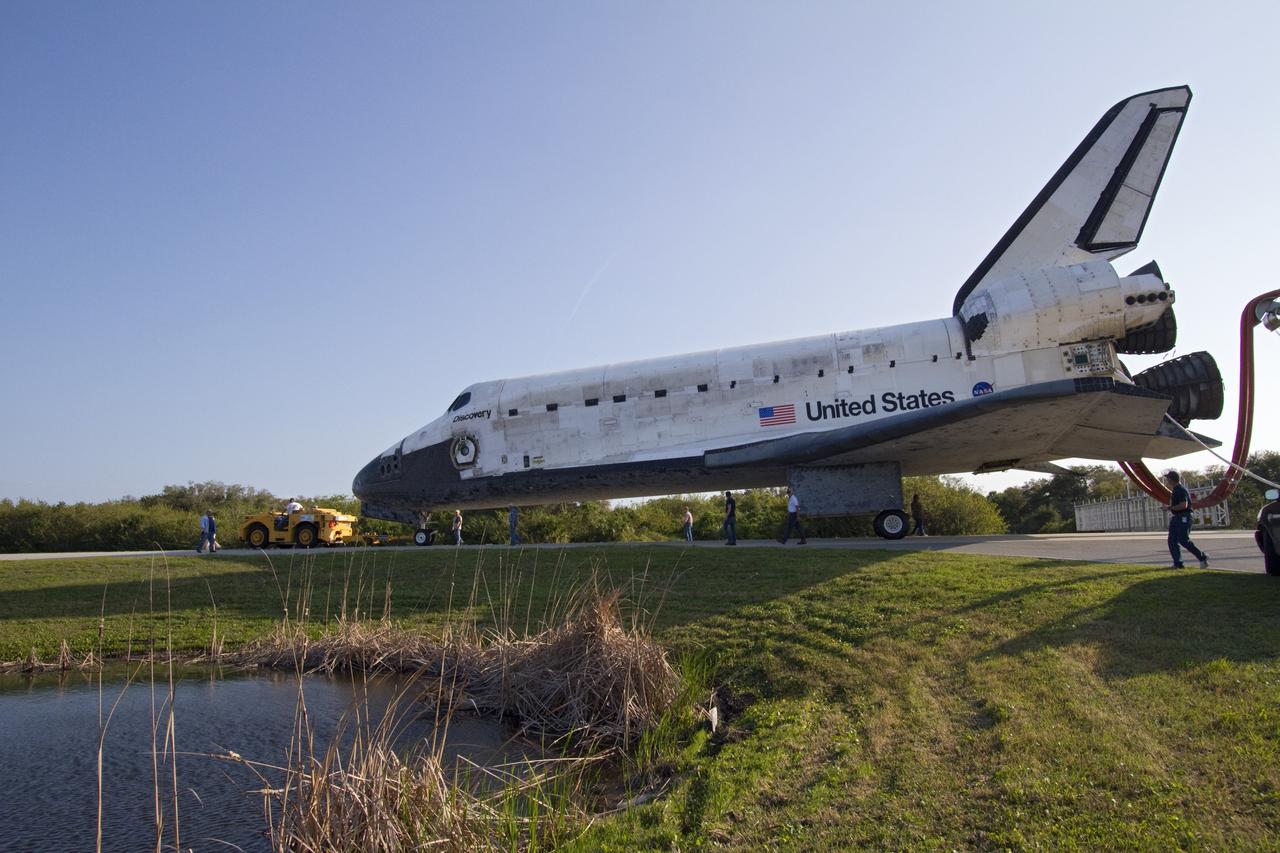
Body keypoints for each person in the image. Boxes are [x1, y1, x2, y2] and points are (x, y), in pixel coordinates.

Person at [1163, 470, 1208, 569]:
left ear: (1171, 479)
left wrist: (1170, 508)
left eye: (1168, 479)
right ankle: (1178, 563)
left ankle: (1202, 557)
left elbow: (1184, 505)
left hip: (1184, 516)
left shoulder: (1180, 490)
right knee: (1172, 540)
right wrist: (1170, 507)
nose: (1167, 481)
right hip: (1176, 517)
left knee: (1183, 540)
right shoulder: (1175, 490)